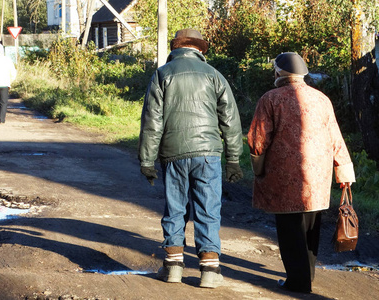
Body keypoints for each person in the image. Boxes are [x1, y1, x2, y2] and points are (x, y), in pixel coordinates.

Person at [138, 29, 243, 288]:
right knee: (208, 208)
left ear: (176, 48)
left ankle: (173, 267)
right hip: (208, 154)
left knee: (175, 208)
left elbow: (152, 122)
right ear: (200, 50)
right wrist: (233, 159)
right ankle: (209, 271)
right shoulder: (214, 75)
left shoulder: (162, 74)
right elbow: (230, 121)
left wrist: (147, 161)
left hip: (172, 153)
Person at [247, 52, 356, 293]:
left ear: (278, 73)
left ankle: (298, 282)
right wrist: (344, 170)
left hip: (283, 176)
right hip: (317, 177)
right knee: (310, 226)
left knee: (289, 228)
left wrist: (258, 166)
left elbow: (258, 139)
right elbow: (335, 137)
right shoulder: (322, 99)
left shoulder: (271, 99)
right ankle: (308, 274)